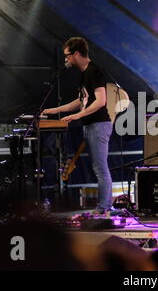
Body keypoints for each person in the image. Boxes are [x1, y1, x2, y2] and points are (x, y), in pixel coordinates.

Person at [43, 37, 113, 214]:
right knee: (98, 167)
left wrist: (77, 115)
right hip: (91, 124)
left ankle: (104, 207)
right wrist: (55, 110)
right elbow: (81, 100)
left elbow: (101, 101)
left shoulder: (94, 71)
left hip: (99, 124)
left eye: (67, 55)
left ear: (76, 54)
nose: (65, 59)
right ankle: (103, 206)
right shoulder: (85, 74)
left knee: (100, 168)